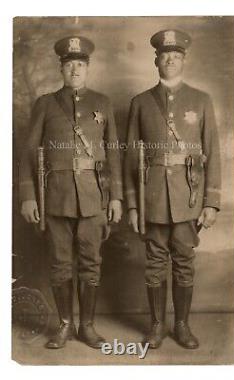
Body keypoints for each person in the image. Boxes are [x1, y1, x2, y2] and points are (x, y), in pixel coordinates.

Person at [19, 36, 123, 349]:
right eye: (69, 64)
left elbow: (113, 152)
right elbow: (28, 153)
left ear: (88, 68)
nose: (75, 69)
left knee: (91, 261)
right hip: (56, 197)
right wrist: (27, 195)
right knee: (60, 262)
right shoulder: (46, 104)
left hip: (94, 196)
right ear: (61, 69)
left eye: (80, 64)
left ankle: (87, 326)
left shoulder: (102, 103)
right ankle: (65, 325)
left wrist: (116, 196)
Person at [124, 29, 221, 349]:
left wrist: (211, 202)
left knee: (183, 260)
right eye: (165, 55)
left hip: (188, 196)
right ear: (156, 60)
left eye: (176, 56)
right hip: (152, 197)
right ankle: (156, 325)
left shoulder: (201, 100)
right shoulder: (140, 102)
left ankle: (181, 325)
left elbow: (213, 153)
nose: (170, 60)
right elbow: (129, 160)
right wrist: (134, 205)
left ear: (183, 60)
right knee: (154, 261)